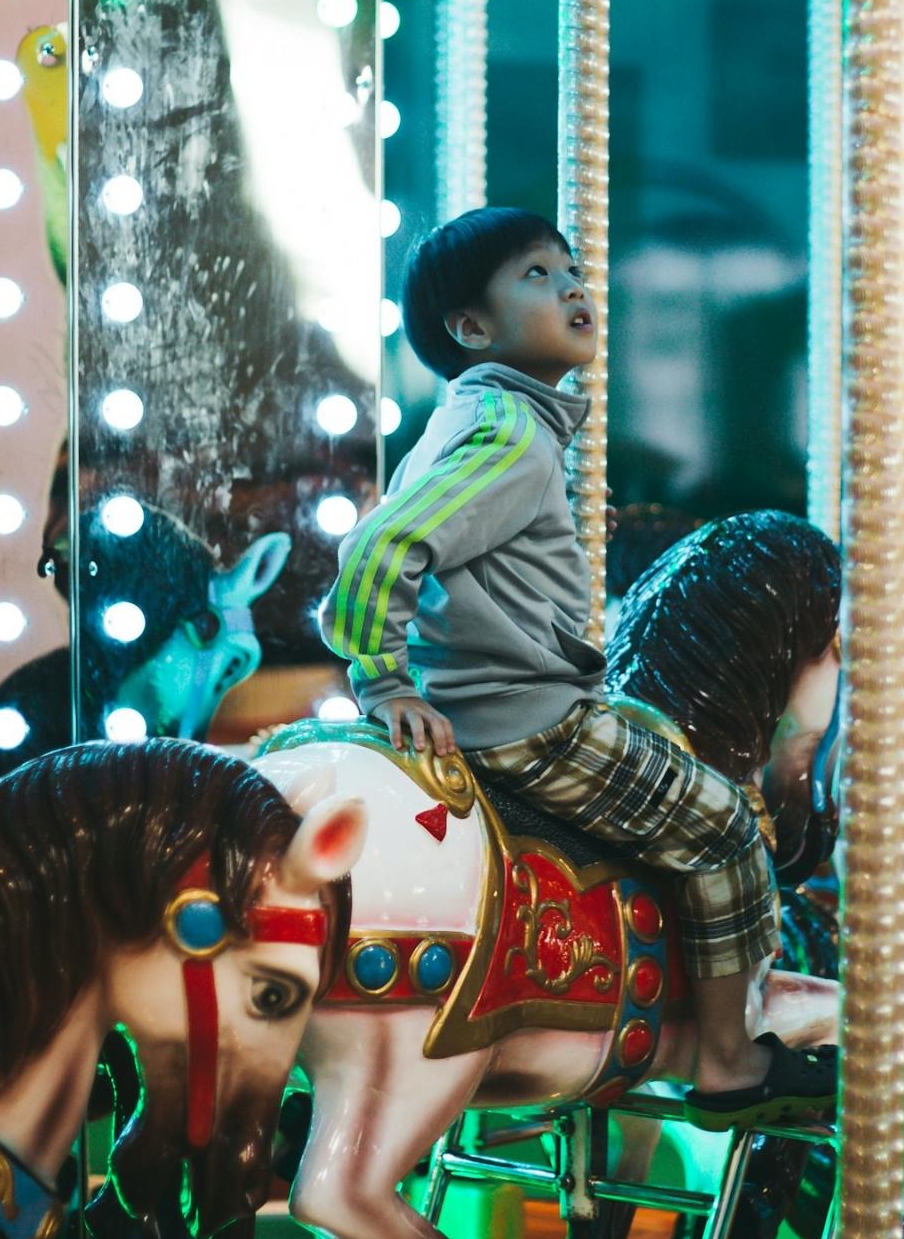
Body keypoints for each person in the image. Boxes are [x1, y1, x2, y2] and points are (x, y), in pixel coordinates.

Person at [321, 204, 833, 1128]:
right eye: (534, 276)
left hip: (505, 699)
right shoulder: (509, 434)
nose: (570, 286)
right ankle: (724, 1061)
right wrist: (380, 675)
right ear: (470, 329)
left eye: (569, 270)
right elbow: (379, 548)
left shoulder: (487, 420)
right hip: (525, 719)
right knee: (721, 829)